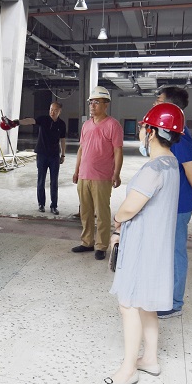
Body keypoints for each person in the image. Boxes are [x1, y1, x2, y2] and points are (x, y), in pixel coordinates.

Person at [101, 103, 184, 384]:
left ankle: (128, 371)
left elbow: (129, 208)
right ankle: (150, 358)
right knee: (147, 304)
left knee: (128, 305)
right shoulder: (172, 164)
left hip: (142, 245)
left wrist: (117, 219)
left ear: (151, 132)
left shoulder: (154, 168)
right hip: (157, 245)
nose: (140, 134)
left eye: (142, 129)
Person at [153, 87, 192, 319]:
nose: (155, 104)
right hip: (170, 201)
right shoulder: (169, 129)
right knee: (167, 250)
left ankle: (174, 303)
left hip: (178, 204)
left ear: (171, 106)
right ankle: (165, 295)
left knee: (176, 251)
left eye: (159, 101)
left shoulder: (178, 132)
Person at [72, 86, 123, 260]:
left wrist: (116, 173)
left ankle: (101, 245)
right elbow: (81, 149)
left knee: (102, 213)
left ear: (106, 104)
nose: (92, 106)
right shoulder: (86, 125)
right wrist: (76, 170)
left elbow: (118, 151)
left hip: (102, 176)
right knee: (85, 212)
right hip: (84, 175)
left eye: (96, 102)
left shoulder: (113, 125)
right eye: (91, 102)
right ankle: (87, 242)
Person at [17, 102, 67, 215]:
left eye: (55, 110)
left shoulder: (62, 124)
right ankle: (41, 204)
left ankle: (54, 206)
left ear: (60, 111)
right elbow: (30, 121)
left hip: (54, 156)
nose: (52, 112)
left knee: (54, 182)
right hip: (42, 155)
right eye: (51, 109)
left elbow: (63, 140)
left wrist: (63, 155)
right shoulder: (43, 119)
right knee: (41, 180)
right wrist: (17, 122)